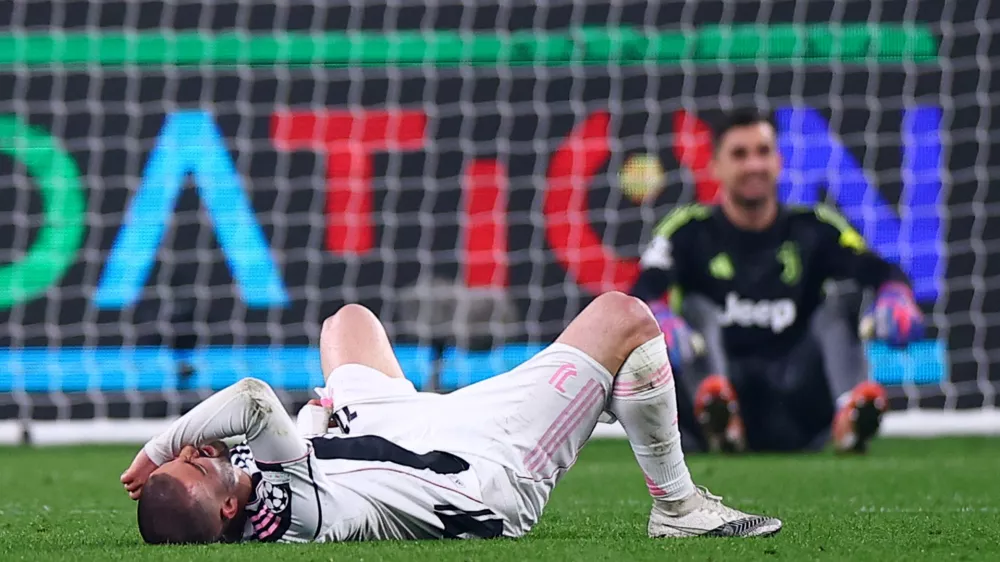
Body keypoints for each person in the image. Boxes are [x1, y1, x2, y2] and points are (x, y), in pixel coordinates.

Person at [120, 294, 782, 544]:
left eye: (189, 454)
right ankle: (677, 506)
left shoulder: (252, 496)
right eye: (197, 463)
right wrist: (159, 446)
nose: (200, 451)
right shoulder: (288, 514)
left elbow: (298, 445)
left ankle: (607, 399)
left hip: (398, 435)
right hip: (481, 473)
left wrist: (317, 425)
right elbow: (254, 401)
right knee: (627, 320)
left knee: (346, 322)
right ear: (230, 512)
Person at [631, 109, 925, 454]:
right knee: (694, 307)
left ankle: (851, 414)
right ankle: (719, 414)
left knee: (839, 304)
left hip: (797, 404)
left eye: (763, 152)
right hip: (712, 391)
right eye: (740, 154)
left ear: (778, 161)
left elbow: (877, 269)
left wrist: (895, 294)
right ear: (715, 166)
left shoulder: (814, 227)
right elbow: (644, 288)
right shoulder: (687, 230)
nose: (754, 164)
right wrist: (659, 318)